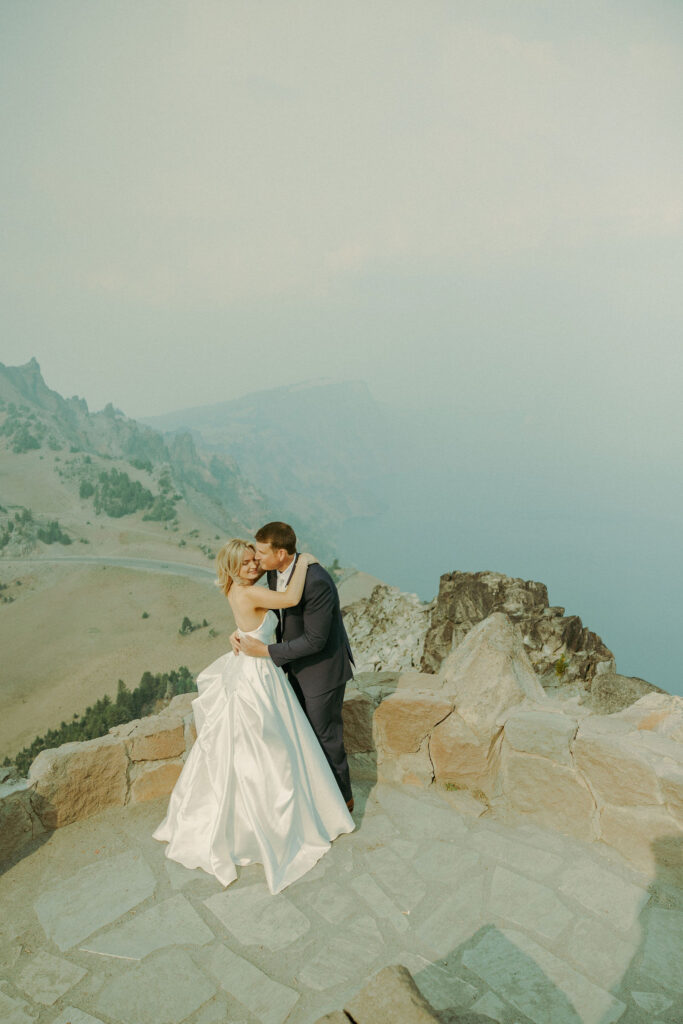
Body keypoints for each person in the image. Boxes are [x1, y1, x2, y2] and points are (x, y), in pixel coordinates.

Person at [153, 538, 354, 894]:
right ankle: (269, 825)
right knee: (272, 750)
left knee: (262, 749)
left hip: (255, 667)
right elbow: (291, 599)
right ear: (231, 568)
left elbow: (254, 622)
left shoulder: (238, 591)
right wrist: (304, 561)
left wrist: (240, 633)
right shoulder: (248, 593)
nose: (253, 566)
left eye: (253, 560)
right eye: (245, 563)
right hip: (259, 678)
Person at [235, 521, 355, 812]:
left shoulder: (316, 582)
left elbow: (315, 640)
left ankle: (344, 801)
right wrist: (244, 633)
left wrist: (265, 650)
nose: (257, 559)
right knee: (303, 735)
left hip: (322, 671)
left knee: (325, 736)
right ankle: (317, 796)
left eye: (262, 553)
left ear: (281, 553)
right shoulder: (276, 573)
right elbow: (269, 608)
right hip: (294, 667)